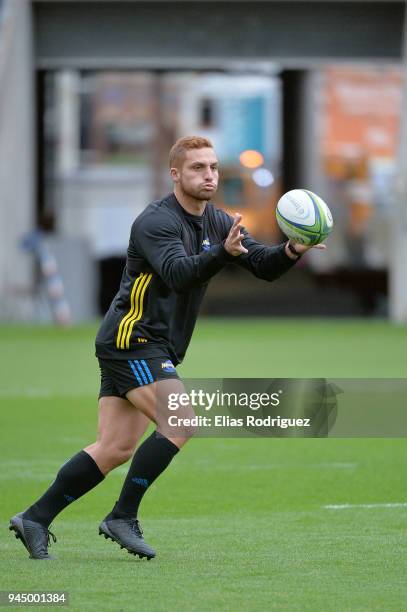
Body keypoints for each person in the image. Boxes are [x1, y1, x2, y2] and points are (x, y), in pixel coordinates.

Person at [9, 136, 323, 560]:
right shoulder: (156, 221)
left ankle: (35, 518)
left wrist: (292, 249)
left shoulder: (216, 221)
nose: (209, 175)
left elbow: (263, 266)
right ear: (175, 173)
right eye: (198, 168)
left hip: (151, 345)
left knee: (115, 447)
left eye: (213, 167)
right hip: (132, 340)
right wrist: (222, 255)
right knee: (180, 422)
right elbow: (177, 273)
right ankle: (122, 516)